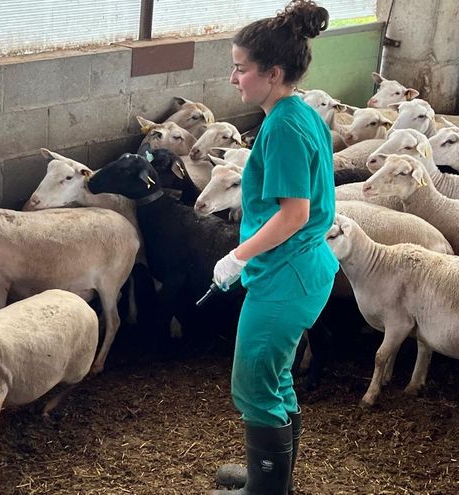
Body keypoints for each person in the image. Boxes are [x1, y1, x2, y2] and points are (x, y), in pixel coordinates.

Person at [209, 2, 337, 494]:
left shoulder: (283, 126)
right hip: (300, 269)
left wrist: (236, 255)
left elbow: (295, 213)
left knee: (254, 384)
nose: (233, 78)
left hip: (287, 274)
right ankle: (274, 480)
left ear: (273, 72)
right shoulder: (298, 112)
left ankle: (264, 490)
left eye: (240, 69)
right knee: (275, 377)